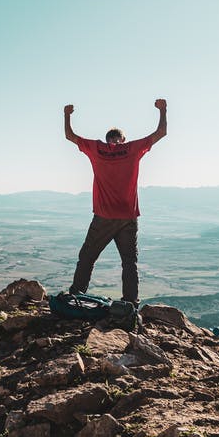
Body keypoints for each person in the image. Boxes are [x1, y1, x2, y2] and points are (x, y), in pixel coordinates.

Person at [64, 99, 167, 306]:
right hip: (128, 216)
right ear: (123, 139)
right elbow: (161, 132)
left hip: (104, 216)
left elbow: (70, 136)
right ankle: (130, 304)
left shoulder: (96, 149)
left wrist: (67, 115)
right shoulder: (132, 149)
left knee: (87, 258)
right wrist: (163, 110)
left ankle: (76, 295)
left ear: (107, 139)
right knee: (129, 263)